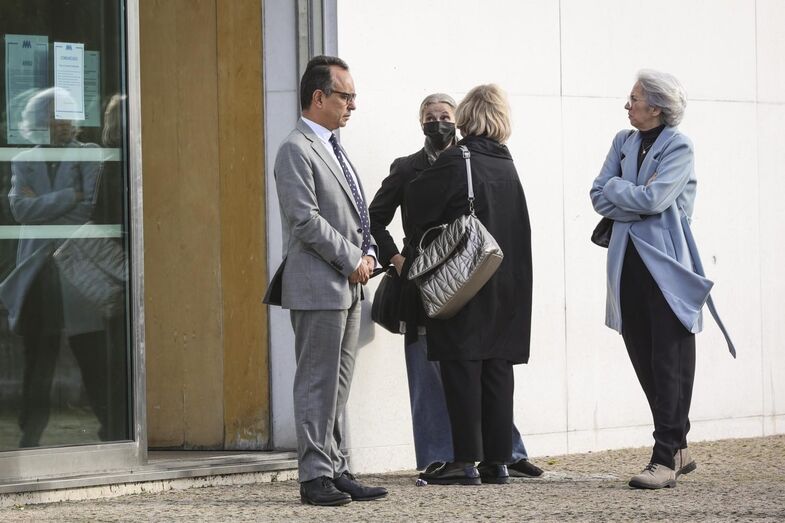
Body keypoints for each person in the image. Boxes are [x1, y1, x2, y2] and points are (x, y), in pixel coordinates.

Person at [368, 93, 543, 480]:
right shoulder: (505, 160)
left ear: (465, 116)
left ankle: (463, 461)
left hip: (461, 279)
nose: (441, 123)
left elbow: (420, 206)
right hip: (504, 278)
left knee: (461, 364)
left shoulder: (459, 158)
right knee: (497, 366)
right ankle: (497, 462)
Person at [590, 69, 735, 490]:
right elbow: (597, 194)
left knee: (669, 362)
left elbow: (656, 199)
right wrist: (628, 192)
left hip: (666, 266)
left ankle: (664, 457)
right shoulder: (623, 141)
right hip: (626, 263)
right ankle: (679, 446)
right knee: (643, 358)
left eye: (634, 98)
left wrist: (620, 191)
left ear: (656, 107)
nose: (627, 105)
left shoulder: (679, 146)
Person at [265, 55, 387, 506]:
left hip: (349, 284)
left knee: (338, 385)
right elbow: (305, 220)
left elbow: (357, 212)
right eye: (345, 96)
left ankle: (336, 468)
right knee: (316, 384)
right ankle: (315, 476)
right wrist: (352, 257)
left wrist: (369, 251)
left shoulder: (334, 146)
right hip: (319, 284)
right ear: (319, 97)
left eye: (353, 96)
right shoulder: (295, 149)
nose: (352, 105)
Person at [0, 87, 121, 446]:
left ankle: (113, 430)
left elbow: (88, 209)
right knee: (38, 356)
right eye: (56, 116)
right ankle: (29, 436)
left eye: (68, 116)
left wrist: (45, 205)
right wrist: (69, 195)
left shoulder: (89, 153)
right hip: (39, 271)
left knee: (91, 353)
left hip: (78, 269)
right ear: (40, 121)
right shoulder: (24, 159)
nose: (64, 123)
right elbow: (20, 210)